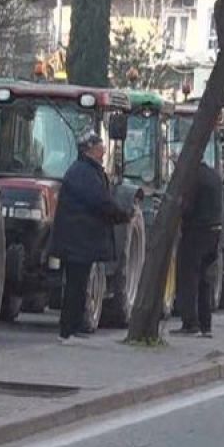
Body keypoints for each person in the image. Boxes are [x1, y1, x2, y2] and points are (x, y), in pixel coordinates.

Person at [48, 132, 132, 342]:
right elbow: (100, 202)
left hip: (80, 241)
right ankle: (68, 330)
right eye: (100, 147)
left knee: (79, 284)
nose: (104, 152)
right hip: (78, 241)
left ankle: (73, 328)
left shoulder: (86, 171)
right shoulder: (83, 173)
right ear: (89, 149)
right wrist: (122, 215)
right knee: (75, 286)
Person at [172, 158, 223, 338]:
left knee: (188, 278)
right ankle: (205, 325)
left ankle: (190, 323)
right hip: (214, 232)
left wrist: (177, 207)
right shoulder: (214, 176)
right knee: (204, 281)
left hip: (195, 233)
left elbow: (187, 207)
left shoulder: (193, 178)